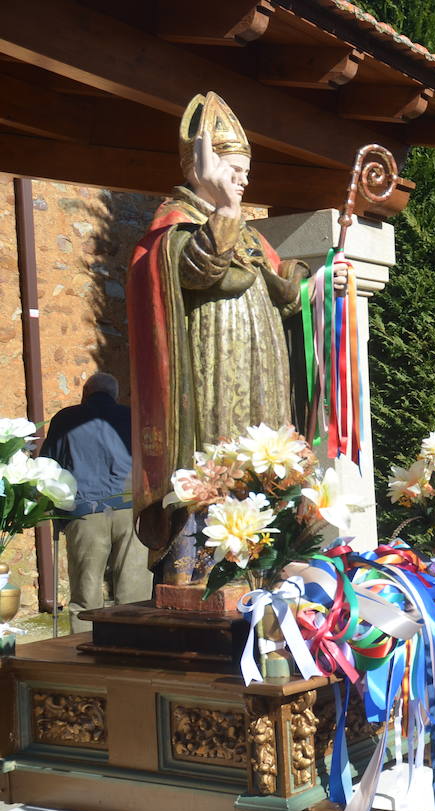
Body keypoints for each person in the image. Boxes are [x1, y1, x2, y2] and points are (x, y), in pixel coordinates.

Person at [127, 92, 314, 575]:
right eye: (233, 168)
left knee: (263, 467)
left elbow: (281, 290)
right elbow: (198, 272)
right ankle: (204, 568)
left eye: (246, 171)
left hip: (261, 375)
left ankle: (265, 561)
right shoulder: (178, 226)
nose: (245, 178)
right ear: (200, 169)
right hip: (212, 372)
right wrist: (227, 207)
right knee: (218, 462)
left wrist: (318, 281)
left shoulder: (247, 233)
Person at [39, 373, 153, 628]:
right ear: (114, 394)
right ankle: (132, 649)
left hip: (85, 512)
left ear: (85, 393)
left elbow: (49, 466)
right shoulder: (132, 416)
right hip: (129, 511)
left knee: (85, 594)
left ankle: (82, 651)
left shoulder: (66, 418)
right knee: (134, 592)